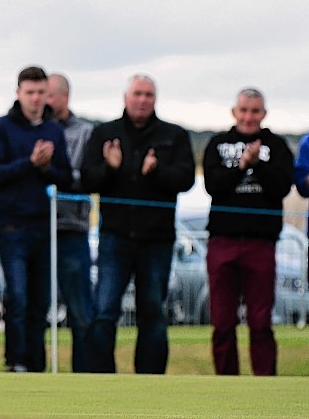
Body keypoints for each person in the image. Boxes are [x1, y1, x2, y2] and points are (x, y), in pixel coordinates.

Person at [81, 74, 194, 374]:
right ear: (125, 97)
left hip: (156, 240)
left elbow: (186, 180)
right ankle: (100, 379)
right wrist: (110, 167)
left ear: (155, 99)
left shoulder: (175, 135)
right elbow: (88, 178)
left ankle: (151, 381)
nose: (143, 100)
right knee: (104, 311)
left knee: (153, 312)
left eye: (149, 95)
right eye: (138, 94)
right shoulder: (105, 133)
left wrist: (156, 172)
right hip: (114, 238)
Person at [0, 66, 70, 373]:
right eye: (29, 92)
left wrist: (46, 169)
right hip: (12, 226)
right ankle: (15, 361)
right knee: (17, 297)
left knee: (40, 301)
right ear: (19, 93)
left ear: (48, 94)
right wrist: (29, 163)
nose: (35, 98)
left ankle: (36, 364)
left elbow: (66, 177)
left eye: (40, 93)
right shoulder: (2, 128)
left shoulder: (54, 131)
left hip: (44, 228)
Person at [202, 87, 293, 376]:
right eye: (244, 110)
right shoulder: (218, 143)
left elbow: (281, 186)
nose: (249, 116)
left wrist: (259, 165)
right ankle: (227, 383)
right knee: (223, 322)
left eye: (255, 111)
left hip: (260, 244)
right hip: (222, 242)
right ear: (234, 111)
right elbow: (214, 186)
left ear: (263, 114)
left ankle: (265, 383)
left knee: (260, 321)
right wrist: (242, 165)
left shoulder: (276, 146)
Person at [45, 72, 94, 372]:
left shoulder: (85, 133)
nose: (45, 101)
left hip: (72, 231)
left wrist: (53, 174)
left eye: (50, 94)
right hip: (39, 229)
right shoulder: (33, 128)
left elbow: (86, 175)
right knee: (32, 307)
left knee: (80, 311)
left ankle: (84, 374)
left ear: (64, 97)